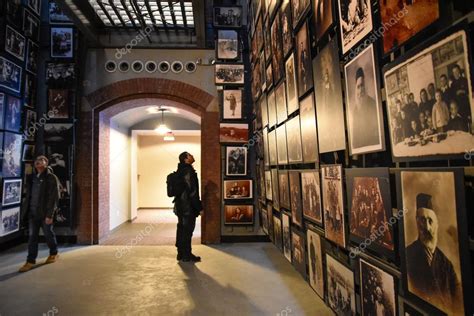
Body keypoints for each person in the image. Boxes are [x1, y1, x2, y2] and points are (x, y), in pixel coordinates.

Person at [405, 193, 460, 313]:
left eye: (430, 221)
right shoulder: (407, 255)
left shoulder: (448, 266)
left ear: (437, 224)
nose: (427, 227)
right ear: (416, 222)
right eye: (422, 220)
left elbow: (458, 304)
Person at [19, 156, 60, 273]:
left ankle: (54, 253)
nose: (38, 162)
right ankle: (30, 261)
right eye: (36, 161)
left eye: (41, 160)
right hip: (33, 213)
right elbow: (29, 196)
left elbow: (54, 197)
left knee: (48, 234)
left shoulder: (51, 177)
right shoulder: (32, 178)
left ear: (46, 163)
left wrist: (50, 215)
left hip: (45, 213)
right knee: (32, 237)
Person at [174, 152, 203, 262]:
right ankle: (187, 255)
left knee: (181, 229)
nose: (193, 156)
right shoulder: (188, 171)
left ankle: (180, 253)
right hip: (188, 207)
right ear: (186, 159)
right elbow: (192, 192)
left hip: (180, 206)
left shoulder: (179, 170)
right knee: (187, 231)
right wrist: (199, 208)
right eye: (190, 155)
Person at [350, 67, 380, 149]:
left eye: (362, 86)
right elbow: (354, 138)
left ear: (365, 86)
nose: (360, 90)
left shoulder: (373, 104)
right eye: (358, 87)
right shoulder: (355, 111)